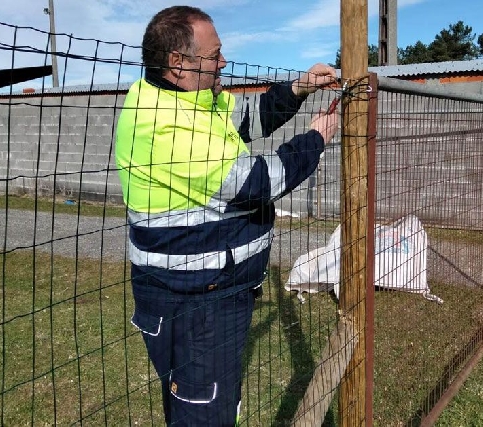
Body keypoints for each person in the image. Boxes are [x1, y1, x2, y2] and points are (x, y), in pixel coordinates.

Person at [115, 5, 339, 426]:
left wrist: (300, 88)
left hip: (211, 294)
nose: (223, 62)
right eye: (214, 54)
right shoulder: (165, 125)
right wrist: (316, 138)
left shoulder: (192, 100)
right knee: (204, 416)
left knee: (210, 407)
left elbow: (250, 118)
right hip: (193, 305)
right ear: (178, 63)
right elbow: (256, 181)